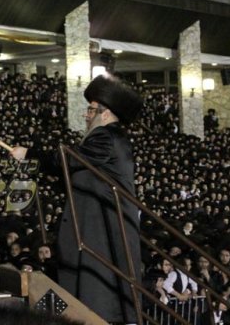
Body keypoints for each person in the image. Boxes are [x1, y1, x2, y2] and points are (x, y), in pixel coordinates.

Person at [11, 74, 144, 324]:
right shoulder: (112, 139)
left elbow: (68, 159)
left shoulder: (106, 137)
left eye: (91, 110)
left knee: (98, 289)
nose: (86, 115)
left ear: (105, 114)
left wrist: (29, 153)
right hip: (97, 227)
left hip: (101, 231)